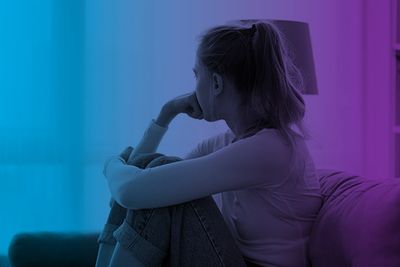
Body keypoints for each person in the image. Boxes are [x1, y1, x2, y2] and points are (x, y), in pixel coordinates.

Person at [95, 20, 322, 267]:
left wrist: (111, 165)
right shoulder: (229, 143)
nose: (194, 87)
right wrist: (167, 113)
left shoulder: (271, 149)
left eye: (197, 76)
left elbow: (130, 191)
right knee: (159, 180)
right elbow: (140, 184)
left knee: (161, 180)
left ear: (216, 83)